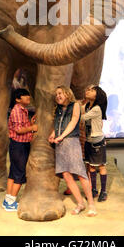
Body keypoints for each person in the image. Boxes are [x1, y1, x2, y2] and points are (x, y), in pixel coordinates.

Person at [49, 86, 97, 216]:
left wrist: (61, 136)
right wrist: (54, 134)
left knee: (80, 173)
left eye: (60, 93)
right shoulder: (58, 108)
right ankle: (80, 203)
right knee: (66, 174)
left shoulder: (75, 105)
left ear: (67, 93)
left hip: (71, 142)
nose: (58, 96)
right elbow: (58, 123)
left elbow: (74, 121)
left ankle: (91, 204)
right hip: (60, 143)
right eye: (56, 94)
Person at [2, 88, 38, 211]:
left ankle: (7, 200)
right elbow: (18, 130)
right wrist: (33, 128)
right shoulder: (17, 110)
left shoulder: (23, 110)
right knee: (19, 173)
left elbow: (22, 126)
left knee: (13, 172)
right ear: (18, 99)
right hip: (19, 145)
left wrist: (30, 123)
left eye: (28, 95)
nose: (28, 97)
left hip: (17, 145)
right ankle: (11, 202)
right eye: (24, 96)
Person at [82, 85, 108, 202]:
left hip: (97, 141)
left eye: (92, 90)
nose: (88, 91)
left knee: (101, 166)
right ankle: (94, 190)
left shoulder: (96, 109)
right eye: (88, 89)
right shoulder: (87, 106)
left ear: (97, 95)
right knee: (91, 166)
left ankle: (103, 191)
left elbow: (82, 117)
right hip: (89, 140)